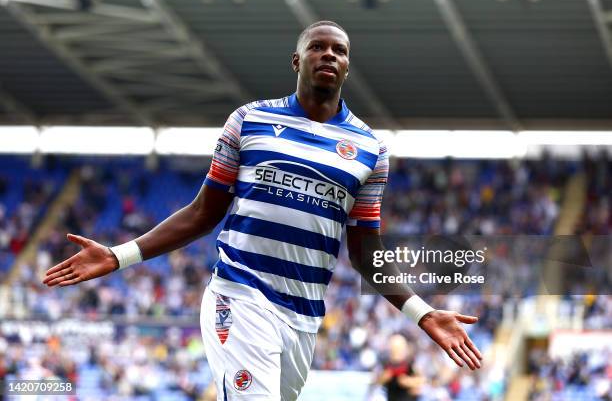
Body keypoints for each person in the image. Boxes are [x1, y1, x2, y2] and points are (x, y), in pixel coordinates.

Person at [43, 20, 482, 400]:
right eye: (317, 46)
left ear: (347, 67)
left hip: (304, 316)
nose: (328, 54)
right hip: (241, 294)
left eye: (339, 50)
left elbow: (365, 250)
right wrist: (121, 255)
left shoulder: (370, 148)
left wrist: (422, 313)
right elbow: (203, 212)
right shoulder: (249, 121)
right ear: (297, 61)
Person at [374, 334, 424, 401]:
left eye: (398, 347)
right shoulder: (385, 362)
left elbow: (421, 380)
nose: (396, 350)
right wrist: (384, 377)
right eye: (394, 347)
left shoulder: (410, 362)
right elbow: (376, 381)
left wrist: (408, 381)